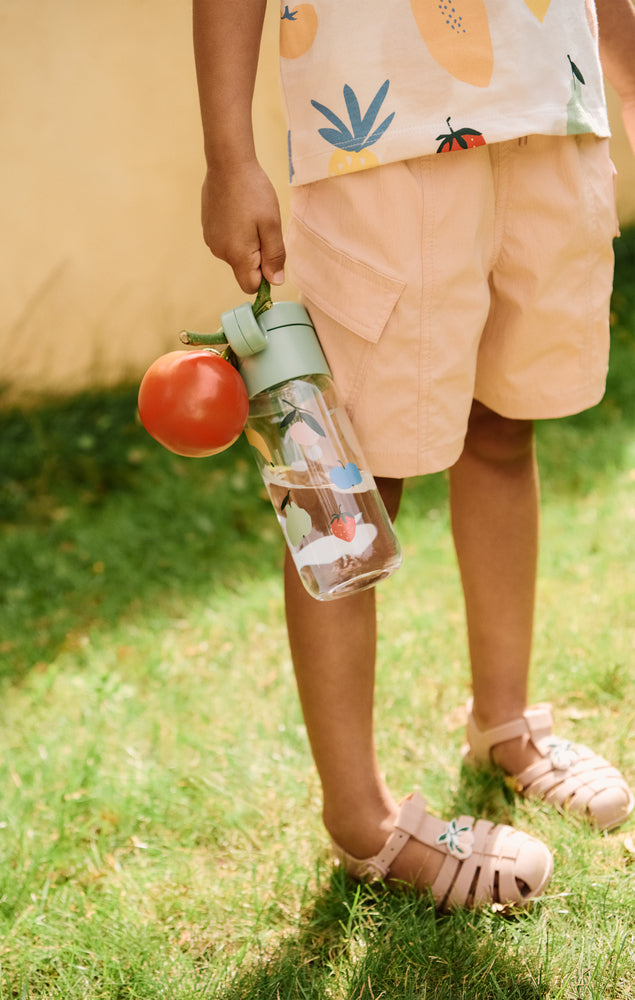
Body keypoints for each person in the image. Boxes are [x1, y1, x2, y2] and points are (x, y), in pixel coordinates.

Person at [193, 0, 635, 910]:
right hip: (376, 132)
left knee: (505, 425)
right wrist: (230, 157)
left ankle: (504, 724)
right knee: (344, 482)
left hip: (550, 105)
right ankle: (361, 818)